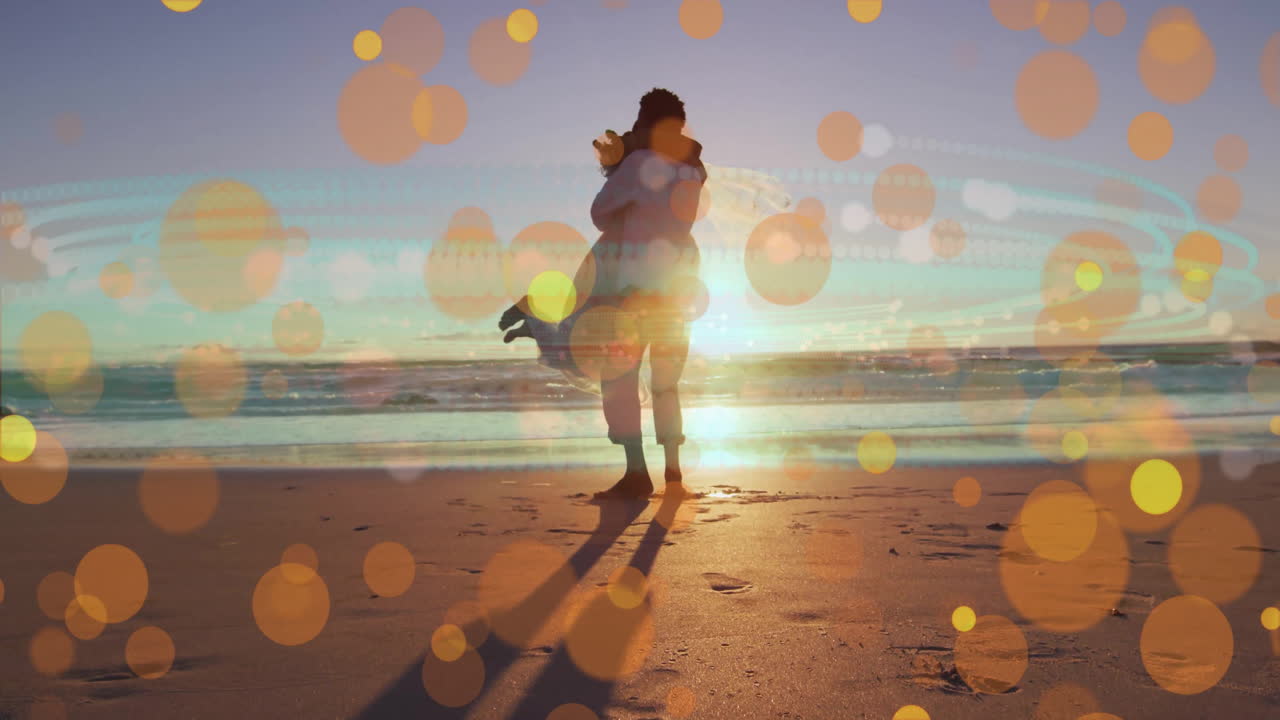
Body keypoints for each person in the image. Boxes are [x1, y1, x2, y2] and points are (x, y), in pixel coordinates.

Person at [500, 88, 706, 500]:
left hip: (630, 292)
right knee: (666, 382)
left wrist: (623, 164)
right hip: (676, 288)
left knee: (619, 377)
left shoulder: (639, 164)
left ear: (646, 122)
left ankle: (635, 473)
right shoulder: (694, 172)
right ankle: (674, 477)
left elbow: (599, 214)